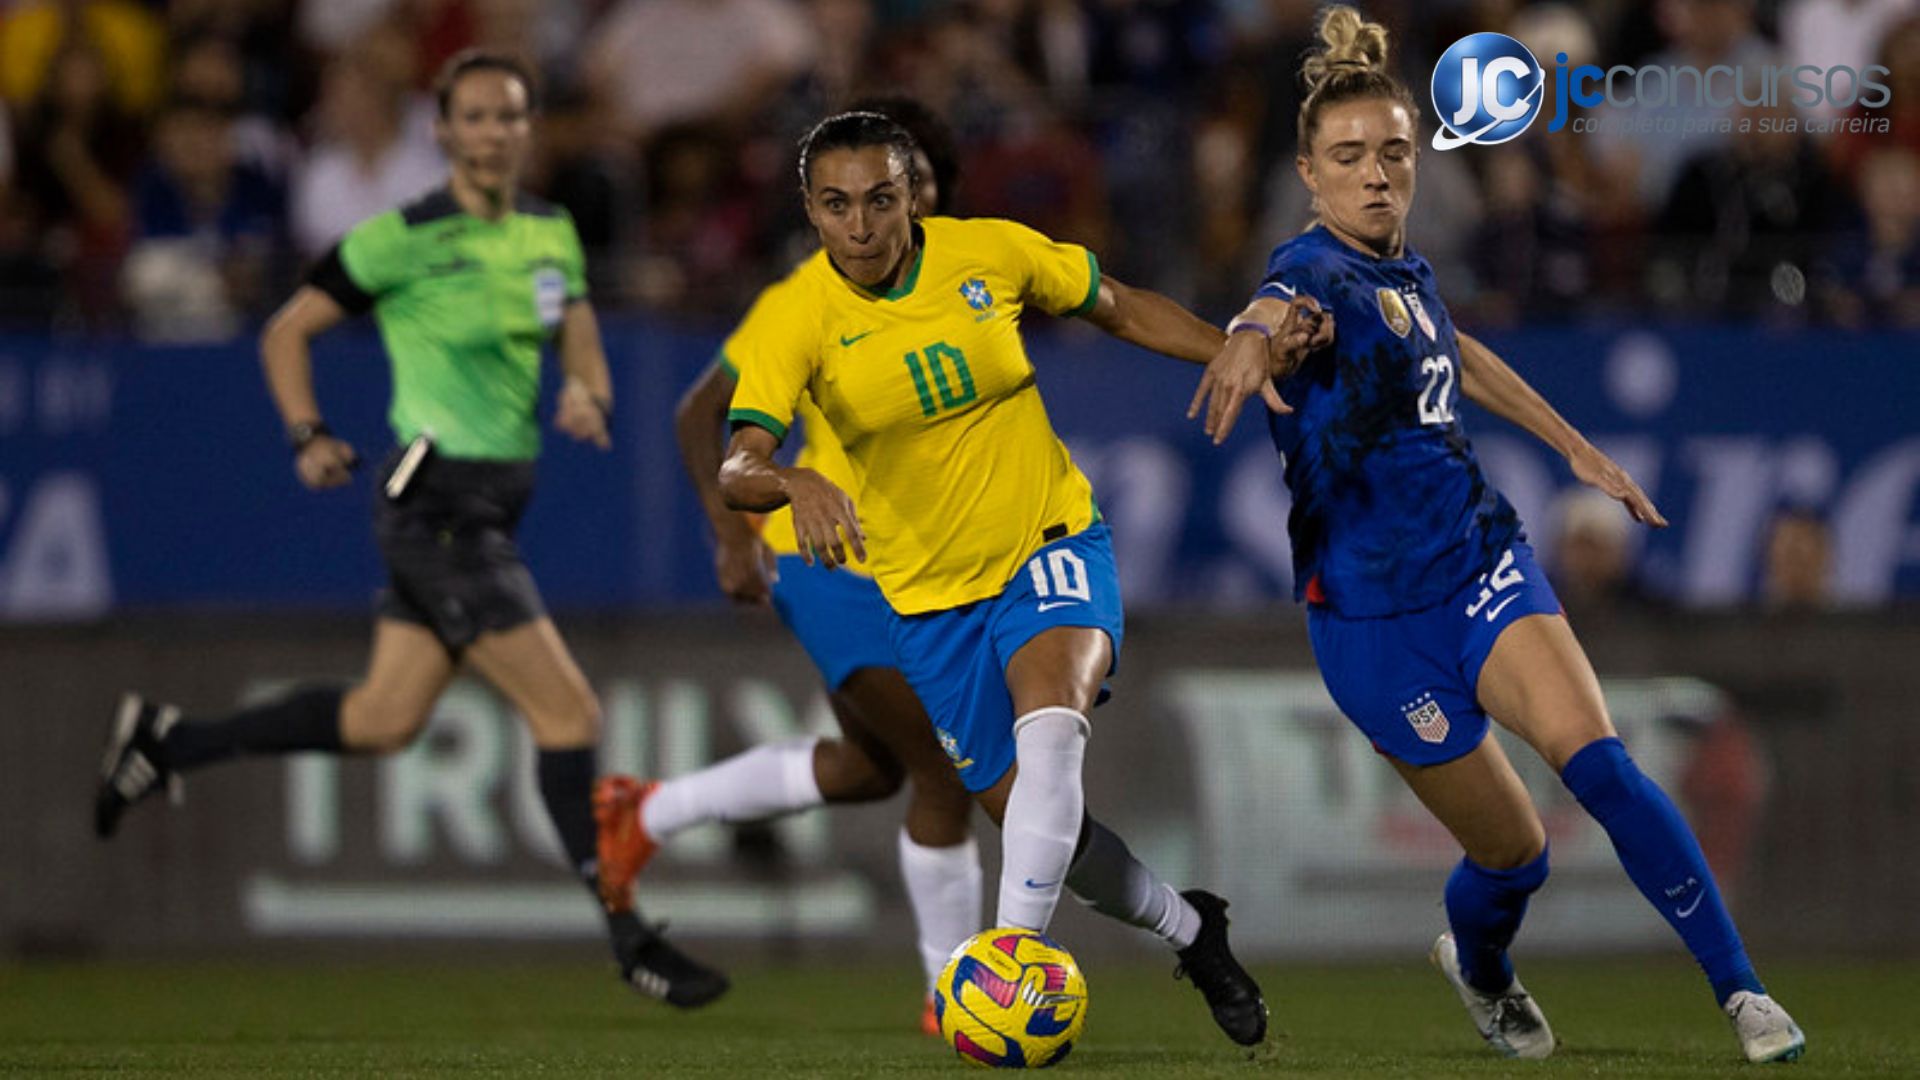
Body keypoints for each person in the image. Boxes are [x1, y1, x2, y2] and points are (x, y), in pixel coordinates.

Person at [1188, 6, 1805, 1065]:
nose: (1377, 175)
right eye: (1350, 158)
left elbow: (1455, 350)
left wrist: (1572, 444)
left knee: (1603, 767)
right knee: (1516, 856)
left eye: (1394, 152)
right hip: (1377, 627)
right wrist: (1250, 339)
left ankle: (1744, 997)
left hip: (1482, 563)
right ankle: (1480, 967)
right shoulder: (1317, 272)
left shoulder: (1408, 272)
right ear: (1308, 172)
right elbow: (1282, 311)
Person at [91, 50, 727, 1010]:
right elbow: (284, 331)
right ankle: (628, 936)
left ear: (526, 128)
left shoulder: (550, 231)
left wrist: (590, 392)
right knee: (572, 718)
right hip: (438, 512)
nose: (493, 132)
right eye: (473, 116)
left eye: (509, 115)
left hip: (490, 509)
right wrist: (307, 434)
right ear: (442, 131)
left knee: (383, 720)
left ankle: (168, 742)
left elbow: (577, 326)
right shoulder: (400, 237)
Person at [704, 109, 1270, 1048]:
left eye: (880, 200)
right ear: (810, 210)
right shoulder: (798, 316)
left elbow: (1119, 305)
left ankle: (1005, 972)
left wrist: (1231, 349)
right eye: (837, 206)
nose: (861, 225)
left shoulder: (990, 255)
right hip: (928, 604)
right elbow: (736, 464)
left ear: (909, 194)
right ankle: (1190, 927)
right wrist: (791, 478)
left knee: (1053, 729)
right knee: (1043, 829)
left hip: (1048, 539)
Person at [599, 97, 978, 1036]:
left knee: (868, 769)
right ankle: (957, 1000)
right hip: (829, 564)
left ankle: (646, 812)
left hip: (921, 568)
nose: (899, 200)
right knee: (944, 771)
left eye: (916, 182)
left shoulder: (965, 280)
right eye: (891, 182)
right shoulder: (807, 297)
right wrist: (730, 535)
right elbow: (702, 414)